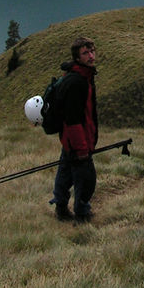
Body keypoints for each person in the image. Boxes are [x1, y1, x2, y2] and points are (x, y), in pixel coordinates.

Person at [50, 36, 99, 222]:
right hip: (78, 141)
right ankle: (82, 215)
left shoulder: (79, 76)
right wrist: (82, 148)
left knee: (65, 173)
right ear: (77, 57)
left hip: (70, 140)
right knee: (86, 179)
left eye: (92, 51)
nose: (91, 56)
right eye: (85, 53)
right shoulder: (77, 82)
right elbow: (73, 119)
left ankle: (61, 208)